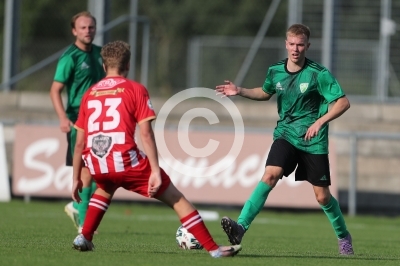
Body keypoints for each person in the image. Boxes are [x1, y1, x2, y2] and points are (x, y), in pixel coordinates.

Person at [70, 40, 242, 258]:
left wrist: (76, 177)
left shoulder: (90, 93)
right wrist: (155, 171)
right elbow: (146, 134)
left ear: (104, 66)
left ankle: (84, 237)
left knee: (104, 189)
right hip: (124, 159)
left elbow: (78, 143)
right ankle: (214, 249)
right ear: (128, 65)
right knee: (176, 199)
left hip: (96, 161)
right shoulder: (135, 89)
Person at [215, 24, 354, 255]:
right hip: (286, 134)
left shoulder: (319, 73)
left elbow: (343, 103)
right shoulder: (275, 70)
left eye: (300, 44)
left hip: (313, 140)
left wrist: (320, 122)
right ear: (286, 44)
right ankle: (240, 227)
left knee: (322, 196)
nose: (296, 49)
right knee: (270, 175)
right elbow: (266, 92)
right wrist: (240, 90)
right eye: (292, 44)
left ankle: (343, 236)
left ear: (307, 46)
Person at [49, 11, 105, 233]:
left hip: (100, 121)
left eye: (90, 27)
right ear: (74, 31)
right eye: (82, 28)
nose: (87, 31)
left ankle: (76, 207)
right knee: (86, 171)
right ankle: (84, 224)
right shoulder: (70, 57)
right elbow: (55, 90)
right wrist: (63, 118)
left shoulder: (101, 54)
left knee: (98, 170)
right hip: (78, 122)